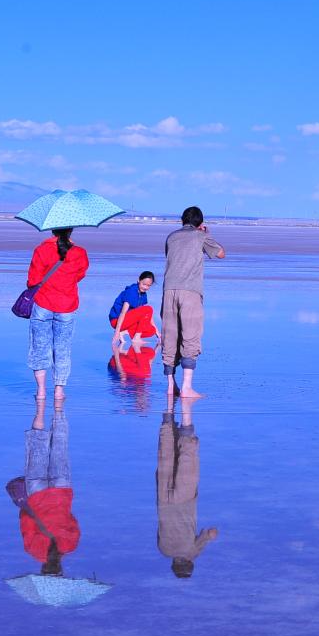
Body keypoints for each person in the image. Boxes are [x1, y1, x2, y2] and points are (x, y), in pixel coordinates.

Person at [6, 399, 79, 578]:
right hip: (37, 494)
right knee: (38, 443)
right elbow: (25, 518)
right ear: (42, 571)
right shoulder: (33, 550)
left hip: (61, 493)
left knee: (60, 445)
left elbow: (72, 520)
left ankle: (59, 408)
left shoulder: (70, 545)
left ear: (61, 570)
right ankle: (40, 408)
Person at [161, 206, 226, 400]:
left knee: (170, 336)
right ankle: (187, 387)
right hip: (190, 290)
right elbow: (221, 253)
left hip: (169, 290)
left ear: (182, 220)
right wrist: (206, 233)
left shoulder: (171, 237)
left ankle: (171, 386)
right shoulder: (200, 236)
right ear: (199, 222)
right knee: (190, 336)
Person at [26, 226, 89, 402]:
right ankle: (59, 391)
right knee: (62, 349)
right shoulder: (80, 252)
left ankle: (40, 391)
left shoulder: (41, 250)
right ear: (71, 231)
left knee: (39, 348)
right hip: (67, 305)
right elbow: (79, 275)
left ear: (52, 230)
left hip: (43, 304)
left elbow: (33, 280)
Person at [157, 399, 218, 578]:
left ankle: (186, 418)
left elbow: (210, 534)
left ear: (189, 563)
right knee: (165, 459)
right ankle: (168, 418)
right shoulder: (163, 550)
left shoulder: (191, 552)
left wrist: (203, 543)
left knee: (188, 459)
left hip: (184, 501)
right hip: (163, 501)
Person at [109, 271, 158, 379]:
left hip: (127, 322)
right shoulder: (132, 292)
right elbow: (123, 313)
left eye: (148, 285)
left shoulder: (143, 294)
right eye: (144, 284)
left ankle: (126, 332)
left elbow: (147, 315)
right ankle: (135, 337)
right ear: (138, 281)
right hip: (117, 321)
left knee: (151, 331)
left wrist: (157, 332)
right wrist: (117, 332)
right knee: (148, 309)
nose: (145, 287)